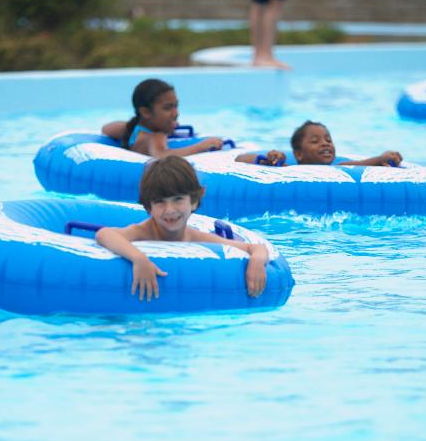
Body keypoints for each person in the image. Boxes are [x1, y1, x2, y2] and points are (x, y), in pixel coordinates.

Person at [95, 156, 268, 301]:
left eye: (177, 199)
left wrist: (257, 261)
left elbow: (255, 248)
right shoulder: (143, 232)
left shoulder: (195, 237)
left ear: (193, 201)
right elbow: (104, 234)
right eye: (160, 201)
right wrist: (138, 258)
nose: (169, 210)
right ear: (149, 207)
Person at [101, 78, 224, 158]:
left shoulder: (132, 130)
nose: (176, 113)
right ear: (145, 112)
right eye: (167, 108)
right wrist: (201, 146)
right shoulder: (155, 137)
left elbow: (106, 128)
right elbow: (160, 155)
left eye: (176, 106)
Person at [235, 120, 403, 167]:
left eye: (328, 140)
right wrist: (268, 157)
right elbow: (241, 159)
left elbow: (360, 165)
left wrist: (382, 158)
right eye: (315, 141)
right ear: (298, 154)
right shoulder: (288, 169)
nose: (325, 144)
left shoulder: (338, 169)